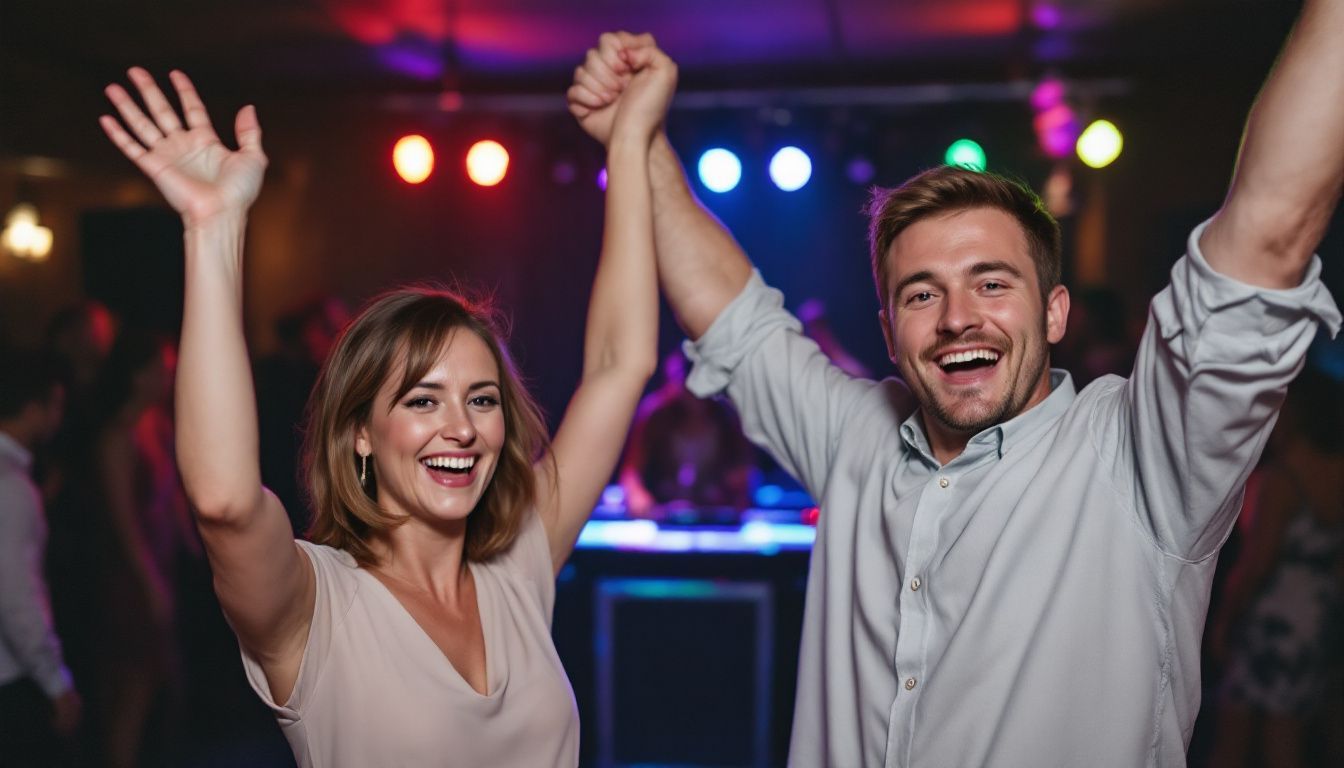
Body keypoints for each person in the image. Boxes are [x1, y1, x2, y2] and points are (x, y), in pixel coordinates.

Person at [568, 8, 1342, 765]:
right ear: (889, 330)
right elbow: (730, 314)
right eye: (921, 293)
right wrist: (635, 141)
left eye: (992, 283)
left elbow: (1267, 229)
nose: (957, 319)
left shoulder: (1142, 457)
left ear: (1056, 311)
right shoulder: (856, 439)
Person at [97, 36, 670, 766]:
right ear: (362, 433)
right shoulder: (314, 609)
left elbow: (621, 364)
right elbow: (224, 501)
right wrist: (214, 230)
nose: (461, 427)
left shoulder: (519, 566)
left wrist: (628, 138)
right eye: (424, 401)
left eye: (482, 399)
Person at [1207, 367, 1344, 768]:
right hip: (1316, 614)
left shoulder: (1285, 476)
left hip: (1274, 616)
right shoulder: (1338, 471)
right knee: (1288, 738)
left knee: (1234, 739)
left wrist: (1225, 619)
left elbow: (1257, 563)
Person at [88, 330, 198, 767]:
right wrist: (150, 583)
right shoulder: (117, 437)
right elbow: (125, 523)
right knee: (134, 686)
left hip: (161, 566)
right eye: (161, 369)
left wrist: (194, 548)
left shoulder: (157, 425)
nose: (168, 377)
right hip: (132, 576)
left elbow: (171, 496)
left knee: (164, 681)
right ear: (137, 376)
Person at [0, 348, 82, 767]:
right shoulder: (12, 487)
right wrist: (56, 683)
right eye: (57, 406)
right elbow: (16, 598)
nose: (59, 417)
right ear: (35, 407)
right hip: (12, 680)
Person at [618, 350, 754, 516]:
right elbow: (632, 471)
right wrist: (636, 495)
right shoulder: (655, 416)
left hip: (713, 515)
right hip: (661, 513)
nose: (694, 395)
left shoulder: (727, 418)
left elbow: (744, 473)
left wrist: (738, 489)